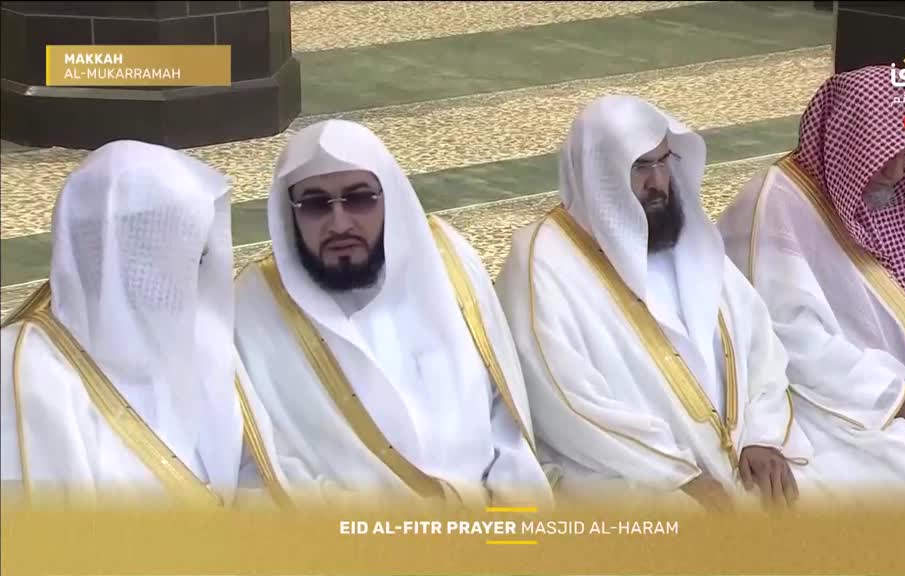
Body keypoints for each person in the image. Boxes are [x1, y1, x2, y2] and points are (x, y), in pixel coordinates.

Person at [495, 95, 834, 512]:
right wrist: (675, 474)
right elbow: (568, 405)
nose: (659, 182)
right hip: (621, 475)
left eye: (664, 161)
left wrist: (761, 436)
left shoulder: (691, 240)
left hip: (737, 459)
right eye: (640, 167)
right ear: (601, 172)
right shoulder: (541, 264)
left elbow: (758, 345)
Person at [717, 65, 905, 489]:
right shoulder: (776, 204)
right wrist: (902, 399)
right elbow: (786, 338)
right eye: (884, 153)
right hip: (837, 402)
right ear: (848, 143)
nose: (898, 171)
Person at [233, 120, 552, 509]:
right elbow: (262, 468)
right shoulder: (254, 305)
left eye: (360, 198)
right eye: (315, 205)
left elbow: (505, 411)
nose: (340, 223)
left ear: (390, 197)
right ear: (290, 215)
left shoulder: (446, 262)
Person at [0, 141, 283, 507]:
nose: (198, 277)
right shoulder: (26, 373)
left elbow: (252, 467)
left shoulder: (200, 337)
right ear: (126, 256)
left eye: (200, 257)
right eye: (185, 256)